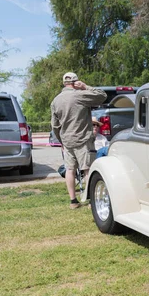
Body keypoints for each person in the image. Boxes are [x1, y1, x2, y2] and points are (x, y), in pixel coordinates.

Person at [51, 72, 107, 209]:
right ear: (76, 82)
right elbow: (102, 96)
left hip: (67, 141)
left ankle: (73, 201)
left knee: (70, 170)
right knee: (88, 169)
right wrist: (85, 86)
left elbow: (55, 126)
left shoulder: (55, 101)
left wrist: (61, 141)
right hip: (83, 139)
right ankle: (91, 200)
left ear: (64, 83)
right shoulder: (80, 95)